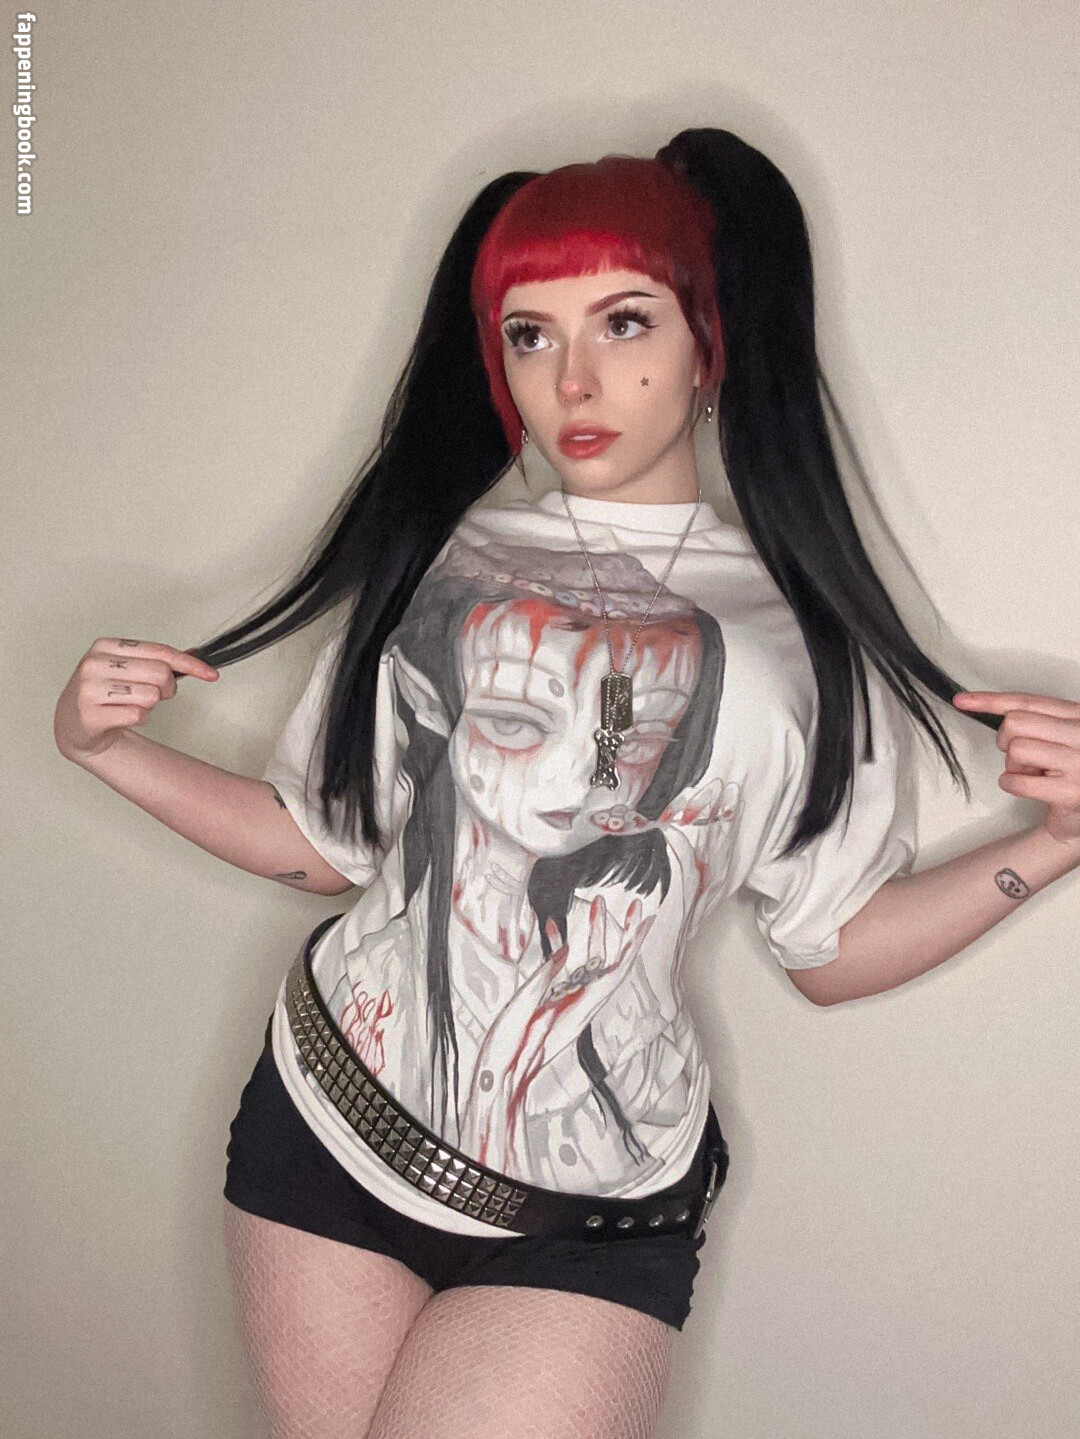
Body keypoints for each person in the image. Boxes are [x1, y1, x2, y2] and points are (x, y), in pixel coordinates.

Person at [53, 129, 1080, 1439]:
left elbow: (830, 948)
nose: (573, 378)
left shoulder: (801, 641)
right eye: (530, 334)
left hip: (591, 1214)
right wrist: (107, 752)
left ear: (709, 342)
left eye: (625, 321)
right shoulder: (440, 565)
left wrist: (1056, 842)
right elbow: (325, 844)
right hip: (327, 1131)